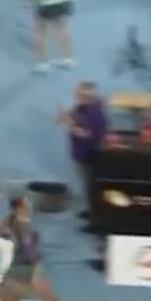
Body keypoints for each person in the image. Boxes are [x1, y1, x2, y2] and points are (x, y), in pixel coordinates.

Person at [57, 82, 107, 220]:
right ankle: (92, 209)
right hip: (80, 152)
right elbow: (68, 118)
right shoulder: (80, 107)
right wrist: (64, 116)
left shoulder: (95, 113)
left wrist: (70, 125)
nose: (76, 97)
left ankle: (96, 215)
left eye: (79, 94)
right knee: (86, 184)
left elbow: (88, 135)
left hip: (90, 155)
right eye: (76, 93)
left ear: (87, 96)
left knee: (91, 184)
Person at [29, 0, 74, 73]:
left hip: (48, 2)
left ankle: (43, 64)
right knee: (62, 29)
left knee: (40, 32)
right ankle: (68, 59)